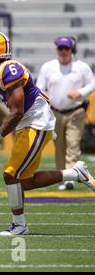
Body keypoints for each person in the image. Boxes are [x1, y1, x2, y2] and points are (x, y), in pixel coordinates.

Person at [0, 31, 95, 236]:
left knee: (11, 174)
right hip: (30, 124)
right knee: (26, 181)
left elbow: (17, 111)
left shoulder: (8, 70)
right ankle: (75, 173)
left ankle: (19, 225)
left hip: (35, 124)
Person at [36, 36, 95, 191]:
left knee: (73, 144)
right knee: (60, 146)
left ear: (71, 49)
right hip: (54, 113)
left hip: (75, 111)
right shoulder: (48, 67)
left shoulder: (81, 67)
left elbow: (92, 83)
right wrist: (45, 95)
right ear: (57, 49)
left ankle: (71, 179)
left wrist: (80, 92)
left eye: (66, 48)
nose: (63, 52)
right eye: (61, 48)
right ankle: (63, 177)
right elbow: (39, 87)